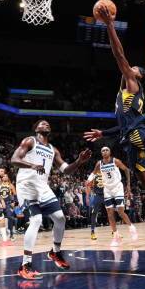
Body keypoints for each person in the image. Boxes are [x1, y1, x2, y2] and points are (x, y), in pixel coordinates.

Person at [83, 4, 145, 242]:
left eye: (134, 68)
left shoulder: (132, 84)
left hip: (137, 137)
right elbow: (122, 125)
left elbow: (118, 54)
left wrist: (109, 25)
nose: (130, 68)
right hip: (129, 136)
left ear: (138, 76)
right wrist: (103, 132)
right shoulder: (123, 95)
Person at [11, 120, 91, 280]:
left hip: (42, 186)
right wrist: (32, 165)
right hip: (26, 185)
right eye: (42, 123)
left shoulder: (52, 149)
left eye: (48, 123)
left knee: (60, 218)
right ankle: (25, 265)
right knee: (36, 220)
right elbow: (14, 159)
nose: (46, 124)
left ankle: (55, 252)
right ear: (36, 128)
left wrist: (79, 162)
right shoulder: (30, 141)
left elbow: (66, 170)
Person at [91, 147, 138, 246]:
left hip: (117, 187)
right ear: (101, 153)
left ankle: (131, 228)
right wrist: (88, 180)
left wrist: (128, 185)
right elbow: (93, 173)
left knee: (121, 211)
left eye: (106, 150)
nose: (104, 152)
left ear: (110, 152)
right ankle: (116, 236)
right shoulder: (99, 164)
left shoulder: (115, 161)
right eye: (102, 151)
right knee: (110, 213)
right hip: (107, 189)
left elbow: (126, 170)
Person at [85, 170, 105, 240]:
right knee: (94, 213)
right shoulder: (93, 174)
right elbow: (87, 184)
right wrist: (87, 196)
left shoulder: (105, 171)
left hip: (106, 194)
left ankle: (114, 232)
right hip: (97, 195)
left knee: (110, 212)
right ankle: (92, 232)